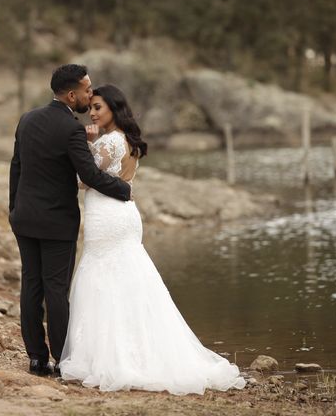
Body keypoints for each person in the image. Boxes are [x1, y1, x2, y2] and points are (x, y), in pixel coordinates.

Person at [59, 84, 246, 395]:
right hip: (124, 215)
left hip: (108, 216)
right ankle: (141, 348)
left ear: (113, 110)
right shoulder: (127, 140)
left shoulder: (108, 143)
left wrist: (88, 144)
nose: (92, 113)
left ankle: (112, 356)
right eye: (90, 107)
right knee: (130, 278)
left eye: (98, 108)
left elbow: (84, 179)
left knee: (103, 277)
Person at [9, 65, 131, 377]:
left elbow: (16, 168)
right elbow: (90, 175)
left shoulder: (27, 119)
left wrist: (14, 209)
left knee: (31, 287)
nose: (91, 96)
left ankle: (37, 359)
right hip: (57, 223)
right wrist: (123, 189)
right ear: (72, 94)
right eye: (88, 90)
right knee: (56, 291)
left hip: (24, 218)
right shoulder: (71, 129)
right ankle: (64, 362)